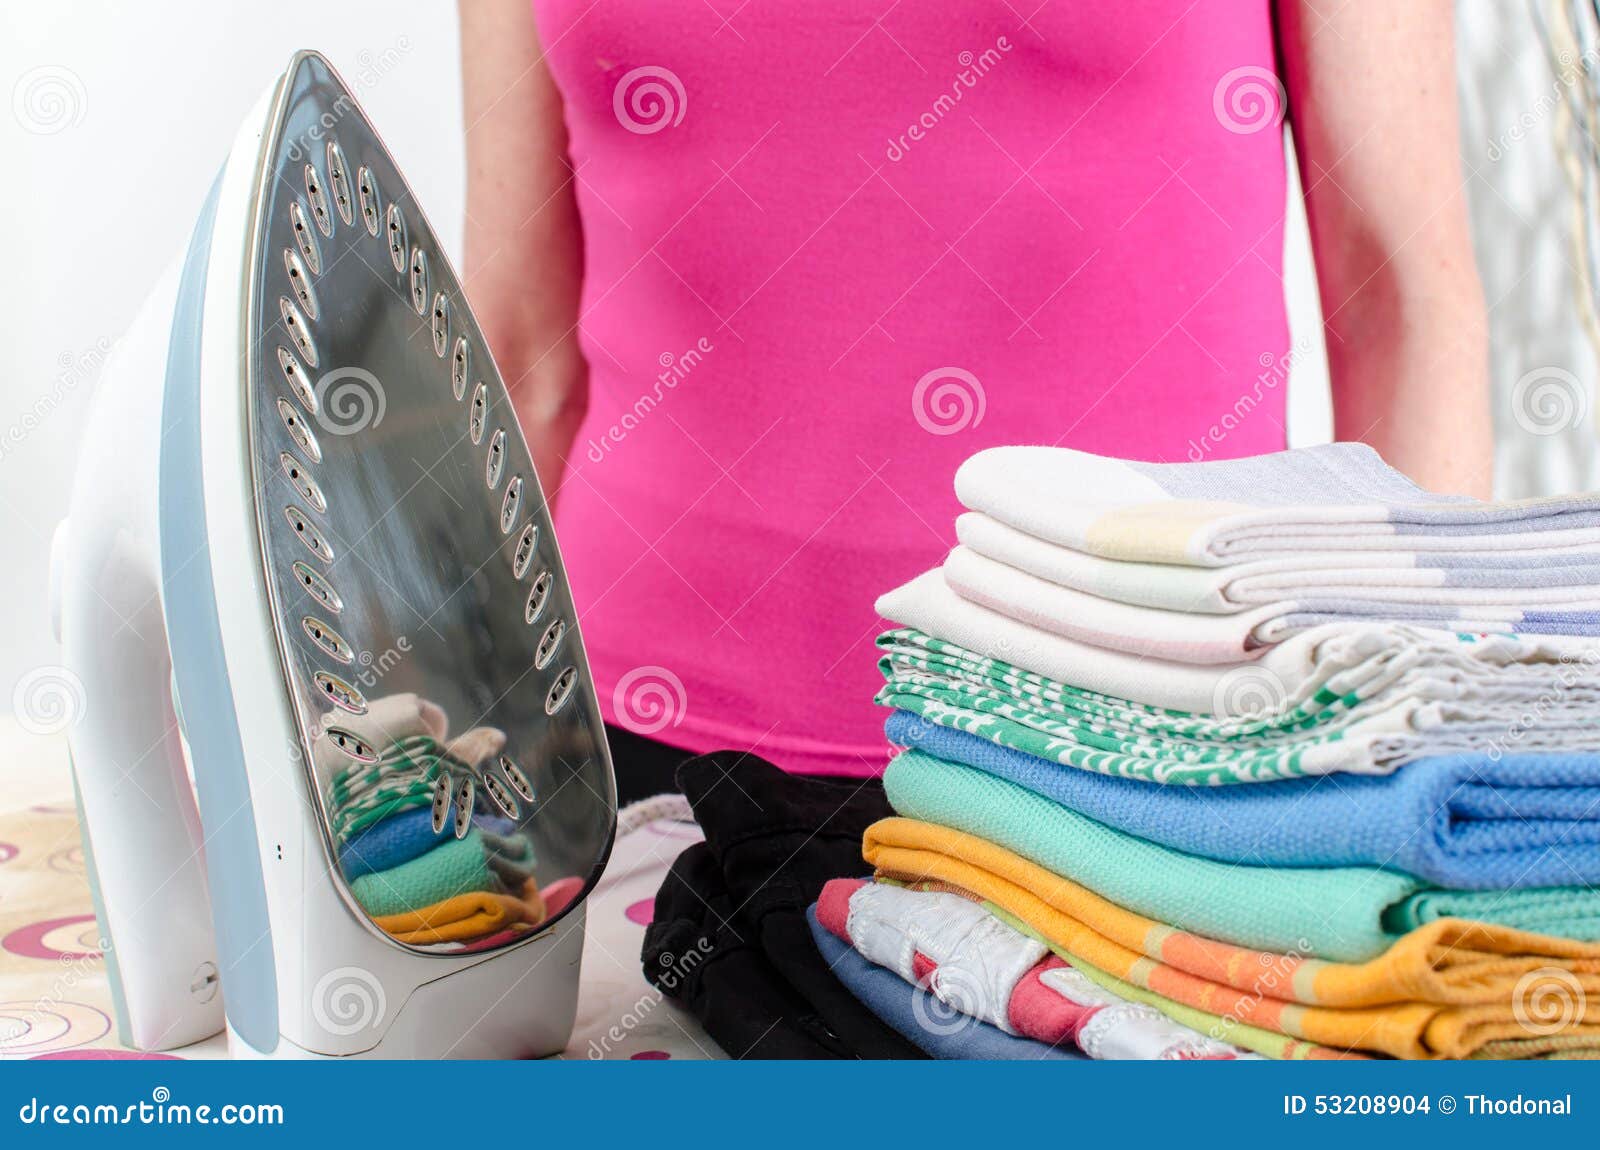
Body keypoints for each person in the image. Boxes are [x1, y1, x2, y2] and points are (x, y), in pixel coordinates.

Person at [459, 0, 1490, 799]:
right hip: (623, 751)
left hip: (1160, 770)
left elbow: (1398, 301)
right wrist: (468, 748)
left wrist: (1424, 775)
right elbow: (518, 355)